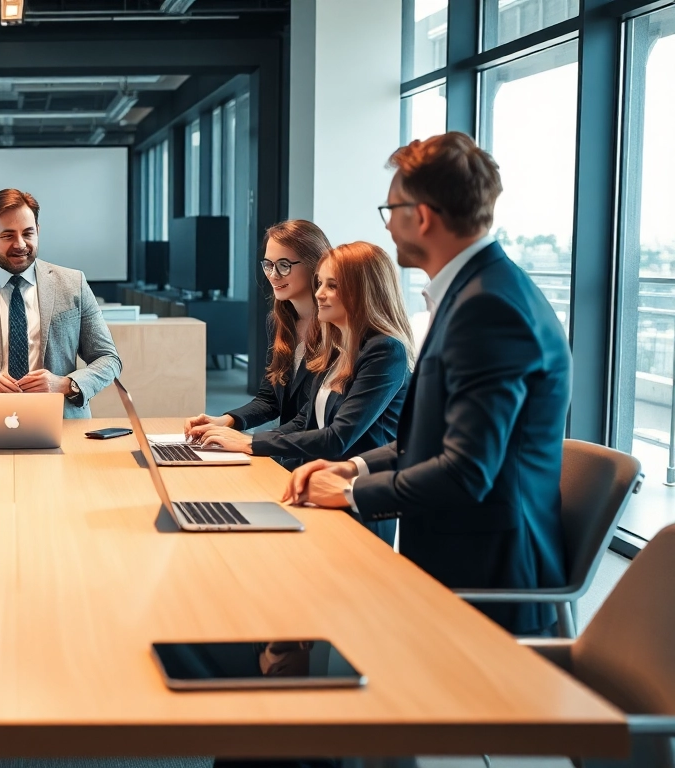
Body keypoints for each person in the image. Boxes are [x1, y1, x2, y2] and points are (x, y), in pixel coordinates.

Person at [284, 132, 572, 635]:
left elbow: (465, 472)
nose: (387, 225)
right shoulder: (476, 292)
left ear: (420, 217)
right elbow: (435, 440)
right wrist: (353, 465)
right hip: (456, 564)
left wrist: (352, 492)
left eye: (390, 210)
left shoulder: (488, 308)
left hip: (485, 586)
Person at [192, 242, 414, 546]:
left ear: (364, 291)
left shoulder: (385, 350)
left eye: (332, 286)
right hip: (317, 489)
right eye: (320, 283)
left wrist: (250, 443)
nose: (319, 293)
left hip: (351, 500)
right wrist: (241, 440)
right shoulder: (337, 345)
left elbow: (338, 437)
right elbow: (304, 420)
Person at [0, 188, 122, 418]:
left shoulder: (73, 283)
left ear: (38, 230)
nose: (20, 244)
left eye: (28, 233)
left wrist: (67, 385)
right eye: (8, 236)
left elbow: (108, 359)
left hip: (61, 422)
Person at [184, 220, 329, 443]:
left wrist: (250, 442)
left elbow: (311, 417)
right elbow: (269, 399)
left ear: (314, 265)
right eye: (268, 264)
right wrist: (224, 421)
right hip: (287, 450)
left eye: (284, 265)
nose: (273, 275)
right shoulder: (279, 322)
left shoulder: (337, 328)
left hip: (318, 453)